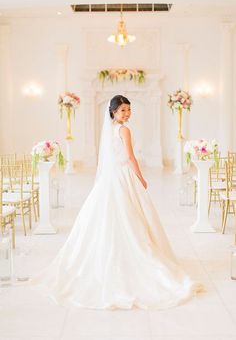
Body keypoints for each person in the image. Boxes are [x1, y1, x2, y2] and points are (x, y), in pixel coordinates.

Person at [32, 95, 202, 310]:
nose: (127, 114)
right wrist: (141, 178)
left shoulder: (110, 129)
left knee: (113, 216)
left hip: (110, 179)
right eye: (123, 110)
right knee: (130, 216)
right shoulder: (124, 130)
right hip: (123, 176)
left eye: (129, 110)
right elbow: (131, 158)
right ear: (113, 112)